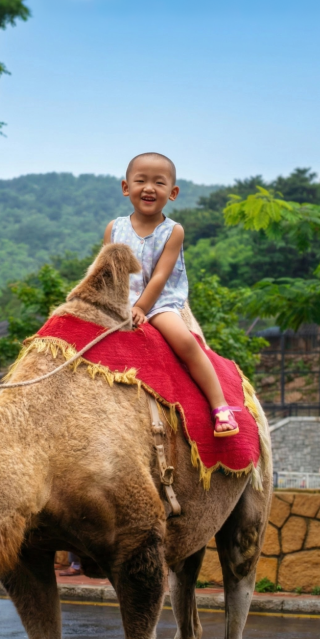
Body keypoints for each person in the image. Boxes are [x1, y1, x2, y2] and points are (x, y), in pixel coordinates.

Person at [105, 152, 239, 437]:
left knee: (184, 342)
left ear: (173, 192)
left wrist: (141, 308)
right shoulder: (114, 228)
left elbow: (160, 276)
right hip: (119, 301)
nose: (149, 188)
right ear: (126, 187)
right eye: (141, 180)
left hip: (158, 302)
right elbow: (108, 269)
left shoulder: (172, 231)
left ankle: (220, 406)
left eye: (159, 182)